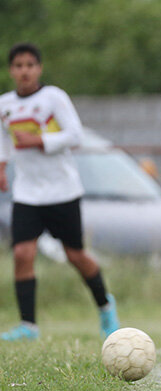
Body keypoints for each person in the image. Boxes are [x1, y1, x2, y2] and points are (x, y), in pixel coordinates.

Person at [0, 43, 120, 341]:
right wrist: (2, 168)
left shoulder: (53, 97)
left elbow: (75, 135)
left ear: (39, 68)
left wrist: (39, 140)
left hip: (62, 191)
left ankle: (106, 307)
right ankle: (28, 326)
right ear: (11, 70)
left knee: (75, 254)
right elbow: (4, 140)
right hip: (27, 193)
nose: (24, 70)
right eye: (18, 65)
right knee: (22, 253)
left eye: (30, 64)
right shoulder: (5, 104)